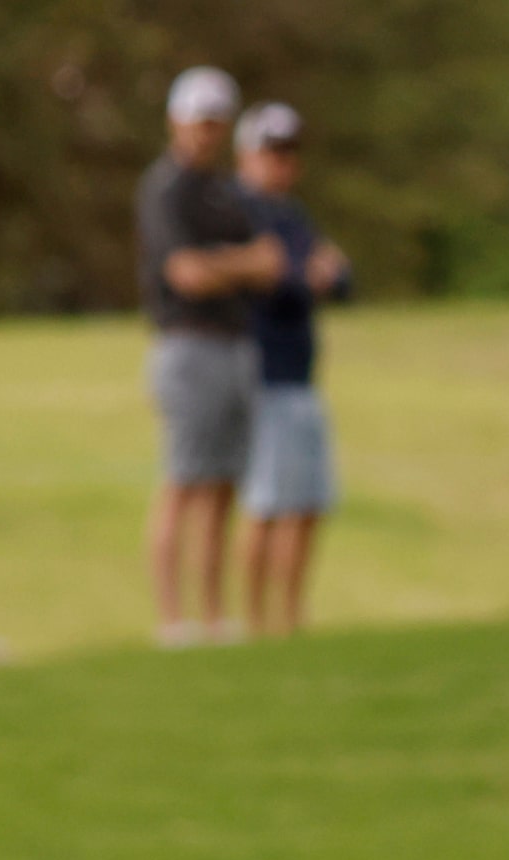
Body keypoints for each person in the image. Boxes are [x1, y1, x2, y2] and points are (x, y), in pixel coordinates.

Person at [138, 66, 285, 649]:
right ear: (177, 121)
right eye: (198, 121)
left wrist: (226, 263)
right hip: (187, 345)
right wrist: (238, 264)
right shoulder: (164, 188)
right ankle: (174, 618)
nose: (206, 132)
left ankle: (215, 613)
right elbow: (186, 274)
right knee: (183, 481)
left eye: (215, 122)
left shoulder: (227, 192)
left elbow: (270, 263)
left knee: (224, 485)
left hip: (235, 346)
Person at [233, 103, 352, 637]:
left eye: (289, 154)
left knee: (307, 502)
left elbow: (339, 278)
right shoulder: (240, 213)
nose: (282, 165)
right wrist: (307, 276)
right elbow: (277, 282)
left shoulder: (293, 216)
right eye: (271, 153)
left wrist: (311, 275)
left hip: (303, 376)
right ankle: (255, 619)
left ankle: (291, 617)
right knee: (267, 502)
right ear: (247, 156)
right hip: (263, 375)